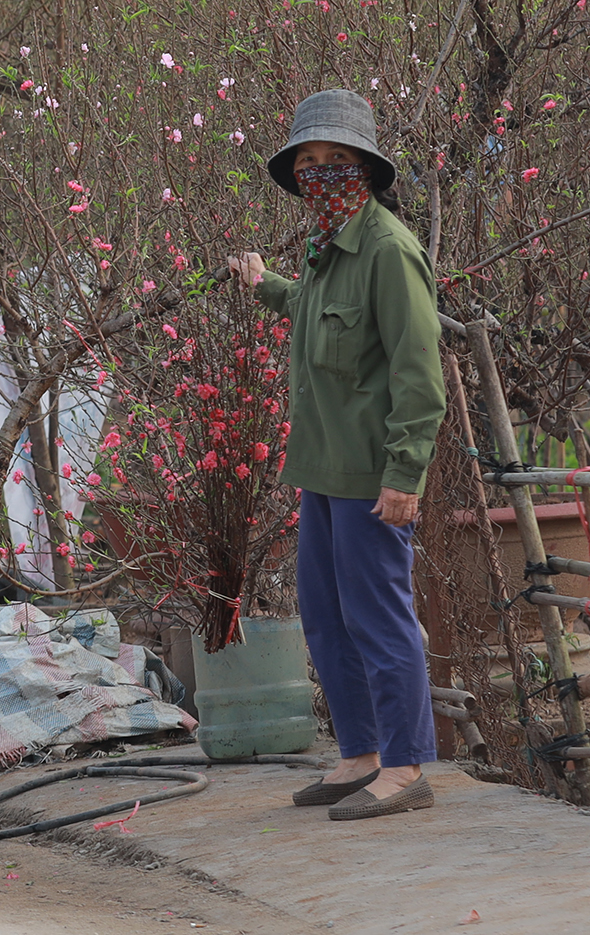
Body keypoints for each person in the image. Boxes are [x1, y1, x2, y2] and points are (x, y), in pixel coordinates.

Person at [227, 88, 446, 822]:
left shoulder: (389, 250)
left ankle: (406, 760)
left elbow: (421, 378)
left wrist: (405, 474)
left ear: (366, 170)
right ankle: (360, 752)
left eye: (337, 160)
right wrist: (268, 287)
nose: (321, 172)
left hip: (370, 477)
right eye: (309, 160)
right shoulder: (326, 248)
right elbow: (314, 313)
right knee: (323, 614)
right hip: (320, 470)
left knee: (380, 617)